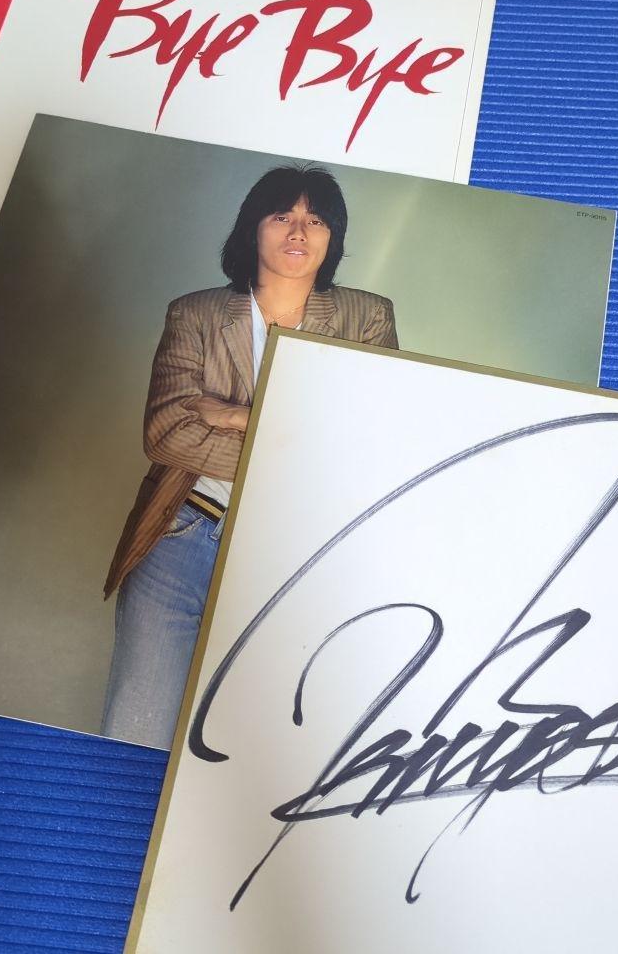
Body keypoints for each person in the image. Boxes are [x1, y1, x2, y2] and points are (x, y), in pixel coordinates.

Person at [101, 165, 397, 748]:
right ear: (252, 228)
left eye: (316, 220)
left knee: (257, 746)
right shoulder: (195, 313)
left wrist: (234, 414)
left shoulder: (366, 318)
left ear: (332, 237)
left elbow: (362, 442)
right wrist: (294, 438)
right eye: (282, 216)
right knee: (136, 727)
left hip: (295, 552)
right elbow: (165, 435)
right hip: (183, 535)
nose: (299, 231)